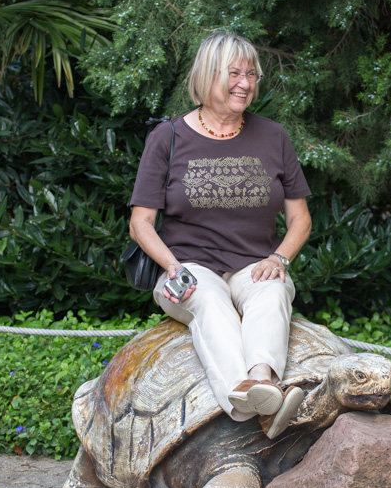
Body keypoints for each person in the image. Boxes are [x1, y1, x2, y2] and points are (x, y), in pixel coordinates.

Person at [128, 32, 312, 439]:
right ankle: (252, 402)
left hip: (255, 263)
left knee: (272, 292)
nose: (245, 84)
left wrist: (279, 259)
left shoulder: (273, 136)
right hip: (188, 265)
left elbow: (300, 218)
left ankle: (262, 382)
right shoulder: (168, 137)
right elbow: (140, 222)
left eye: (251, 74)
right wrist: (172, 267)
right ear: (207, 75)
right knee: (209, 301)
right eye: (234, 74)